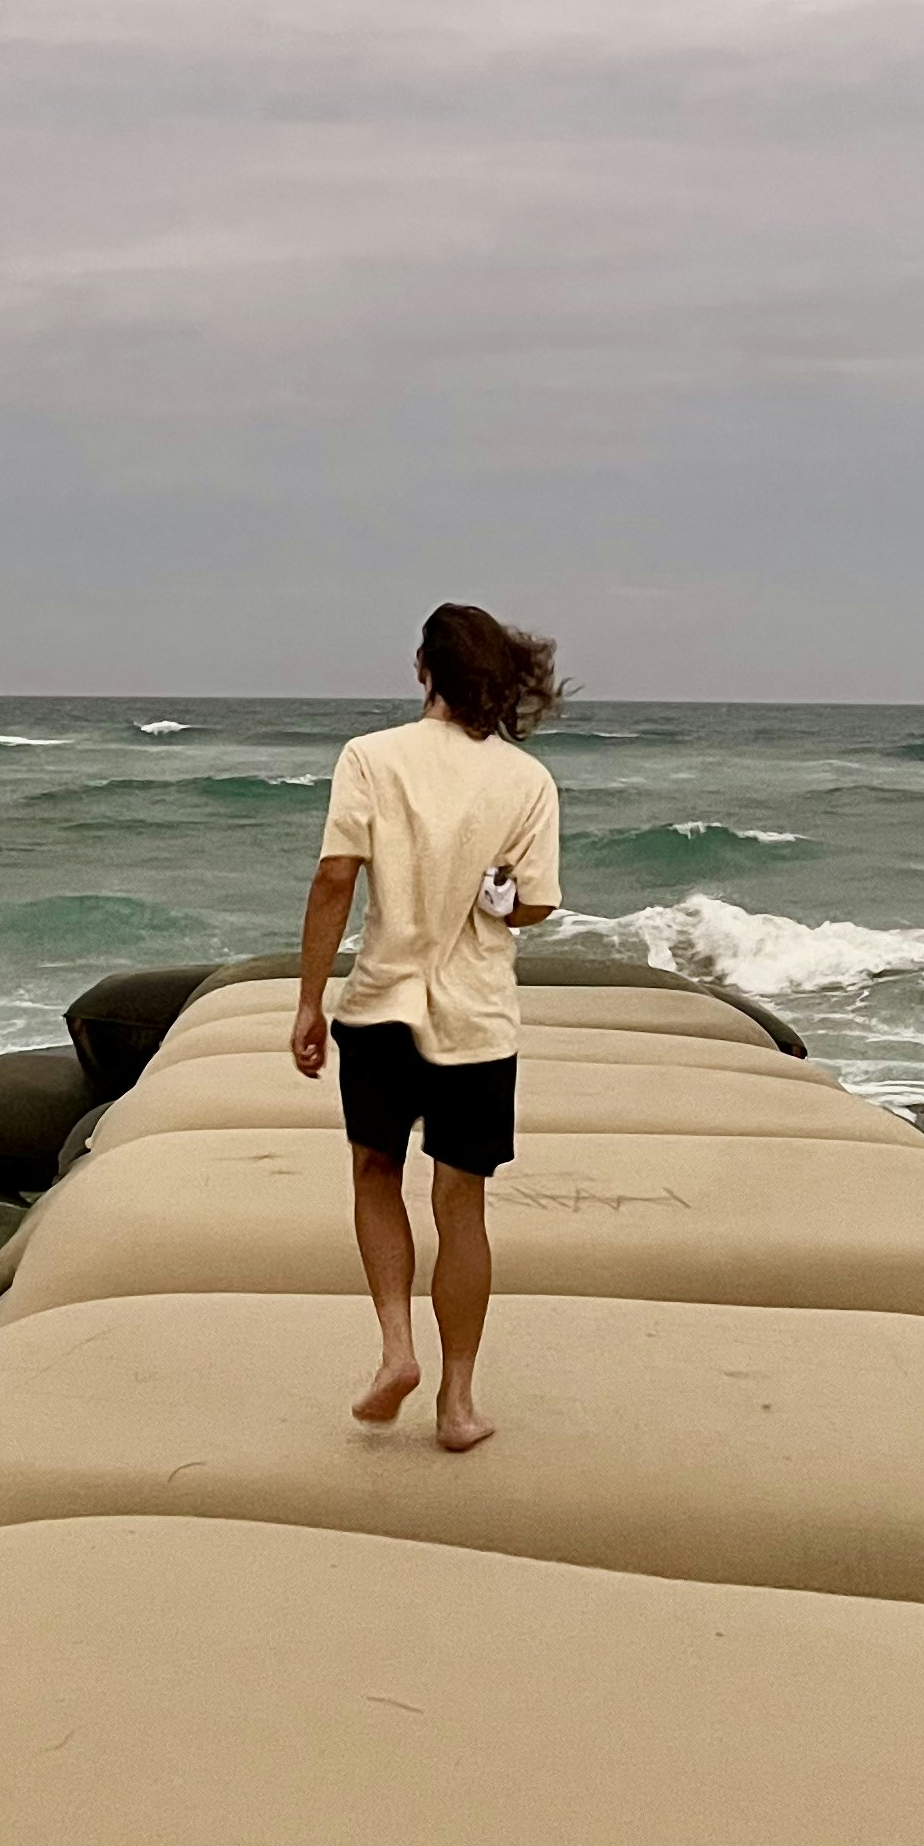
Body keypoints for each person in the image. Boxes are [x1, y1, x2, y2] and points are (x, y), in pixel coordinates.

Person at [289, 602, 567, 1451]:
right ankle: (457, 1404)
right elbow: (536, 906)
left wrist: (308, 999)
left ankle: (395, 1351)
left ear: (423, 671)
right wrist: (493, 899)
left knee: (376, 1172)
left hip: (380, 1006)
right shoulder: (526, 780)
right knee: (462, 1202)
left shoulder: (370, 758)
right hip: (478, 1020)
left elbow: (338, 877)